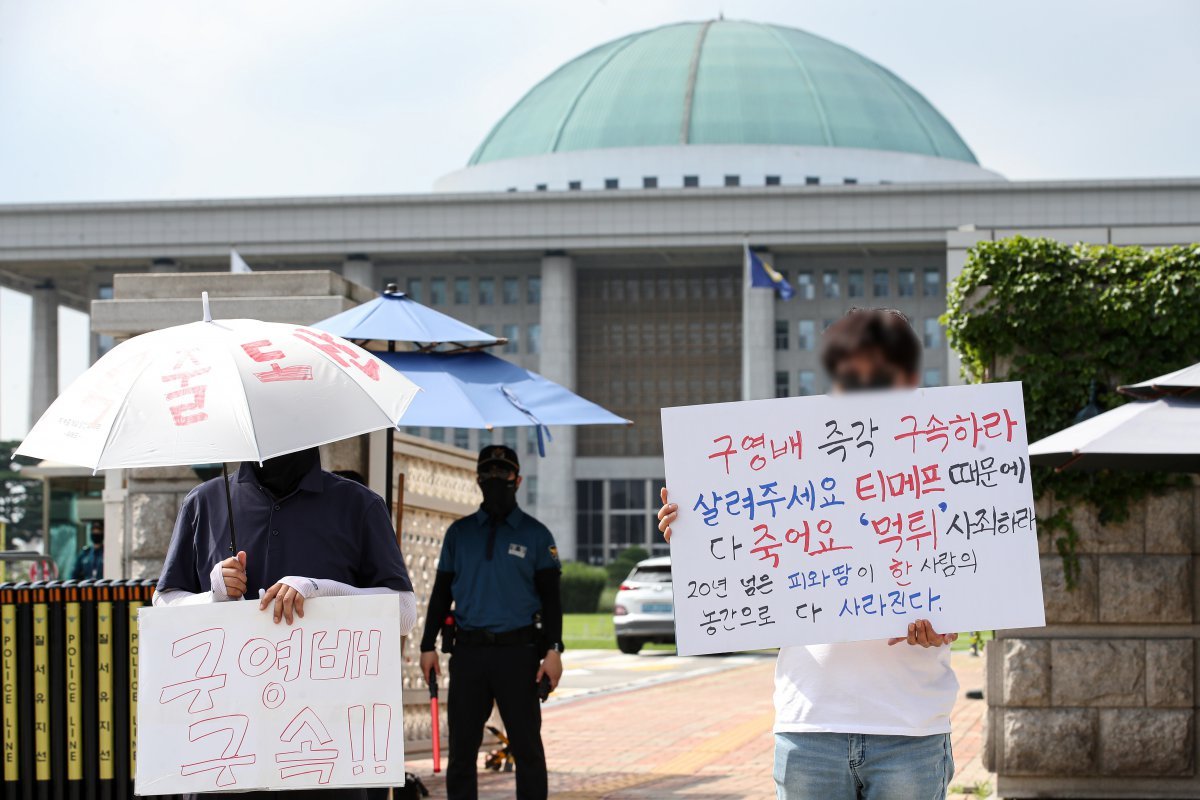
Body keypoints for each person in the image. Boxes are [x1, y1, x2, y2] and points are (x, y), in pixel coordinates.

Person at [658, 308, 959, 800]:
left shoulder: (944, 452)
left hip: (911, 727)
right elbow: (743, 548)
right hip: (811, 723)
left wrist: (952, 620)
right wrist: (693, 532)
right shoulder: (787, 447)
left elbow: (971, 572)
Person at [155, 447, 418, 800]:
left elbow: (403, 613)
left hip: (324, 748)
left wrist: (320, 590)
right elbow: (164, 604)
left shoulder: (359, 504)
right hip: (225, 749)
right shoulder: (205, 502)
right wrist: (212, 595)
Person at [419, 445, 563, 800]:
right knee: (462, 752)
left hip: (520, 655)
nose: (496, 480)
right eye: (489, 473)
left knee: (528, 749)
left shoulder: (536, 535)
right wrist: (427, 646)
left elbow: (552, 600)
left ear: (518, 479)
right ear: (478, 478)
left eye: (504, 473)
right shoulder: (460, 534)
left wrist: (554, 650)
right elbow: (440, 594)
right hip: (469, 654)